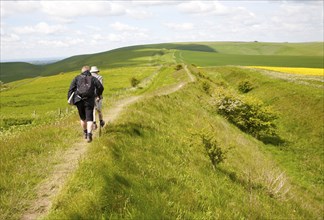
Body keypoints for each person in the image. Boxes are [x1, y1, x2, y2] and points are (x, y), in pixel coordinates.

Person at [67, 66, 104, 143]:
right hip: (89, 100)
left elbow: (71, 89)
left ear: (82, 71)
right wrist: (98, 94)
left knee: (83, 119)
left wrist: (70, 100)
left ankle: (85, 132)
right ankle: (89, 135)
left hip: (78, 100)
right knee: (89, 118)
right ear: (89, 71)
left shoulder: (77, 78)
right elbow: (100, 87)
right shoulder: (93, 78)